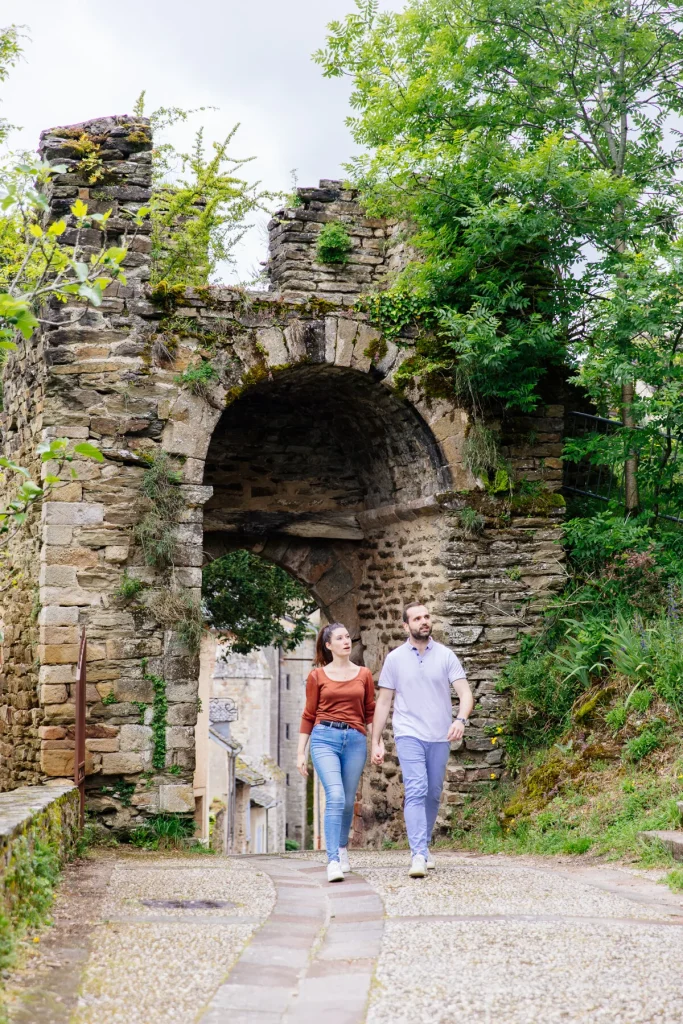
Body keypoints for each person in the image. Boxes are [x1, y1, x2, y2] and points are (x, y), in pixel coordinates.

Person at [371, 601, 473, 878]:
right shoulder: (394, 659)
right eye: (417, 618)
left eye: (427, 616)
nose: (424, 621)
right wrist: (376, 740)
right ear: (406, 626)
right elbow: (383, 703)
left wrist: (460, 720)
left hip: (440, 735)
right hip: (408, 733)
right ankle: (417, 854)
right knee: (416, 788)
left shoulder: (446, 656)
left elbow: (465, 694)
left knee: (432, 793)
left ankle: (423, 847)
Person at [297, 622, 375, 883]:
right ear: (328, 645)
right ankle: (332, 860)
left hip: (354, 740)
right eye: (339, 638)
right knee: (336, 796)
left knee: (347, 799)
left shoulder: (363, 674)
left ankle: (342, 848)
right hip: (324, 739)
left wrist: (377, 742)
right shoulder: (317, 676)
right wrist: (300, 752)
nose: (346, 641)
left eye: (347, 637)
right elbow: (308, 715)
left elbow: (370, 712)